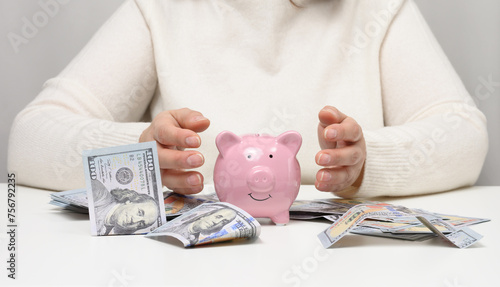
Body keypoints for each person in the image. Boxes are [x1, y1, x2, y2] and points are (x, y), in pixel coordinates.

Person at [8, 0, 488, 198]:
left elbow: (464, 136)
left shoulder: (379, 9)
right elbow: (28, 142)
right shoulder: (161, 9)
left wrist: (368, 164)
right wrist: (139, 153)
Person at [91, 180, 160, 235]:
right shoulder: (98, 192)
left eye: (141, 223)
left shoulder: (108, 235)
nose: (134, 220)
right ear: (129, 201)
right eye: (139, 213)